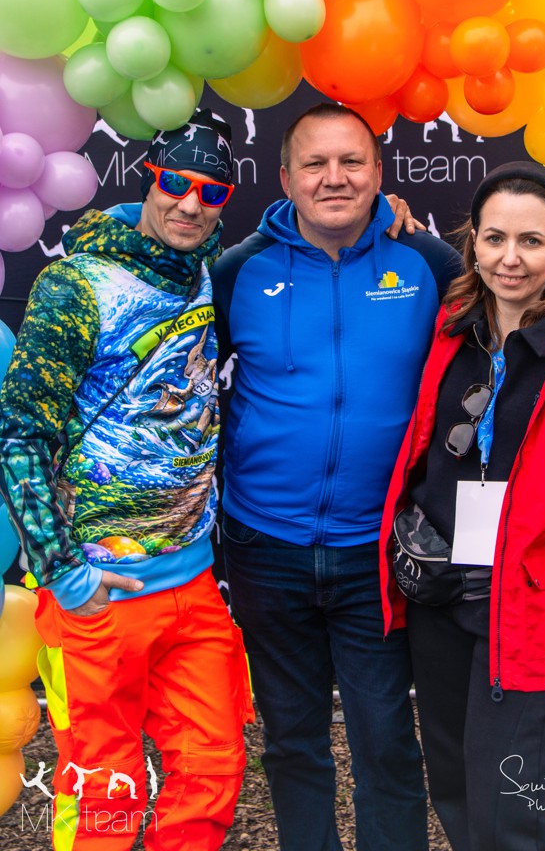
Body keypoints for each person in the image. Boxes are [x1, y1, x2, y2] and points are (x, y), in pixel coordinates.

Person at [211, 102, 463, 851]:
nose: (334, 178)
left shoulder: (429, 265)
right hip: (263, 547)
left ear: (378, 173)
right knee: (292, 741)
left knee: (386, 742)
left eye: (351, 161)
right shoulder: (238, 271)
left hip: (374, 552)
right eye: (314, 164)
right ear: (284, 177)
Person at [0, 109, 254, 851]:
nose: (190, 205)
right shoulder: (76, 284)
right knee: (104, 789)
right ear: (149, 178)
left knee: (211, 768)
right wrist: (63, 572)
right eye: (176, 184)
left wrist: (386, 216)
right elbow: (18, 434)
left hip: (192, 586)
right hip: (98, 593)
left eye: (211, 193)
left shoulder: (205, 272)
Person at [379, 161, 545, 851]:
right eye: (494, 238)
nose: (510, 258)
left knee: (508, 823)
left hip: (532, 620)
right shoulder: (451, 331)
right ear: (473, 242)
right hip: (442, 604)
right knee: (456, 796)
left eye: (531, 241)